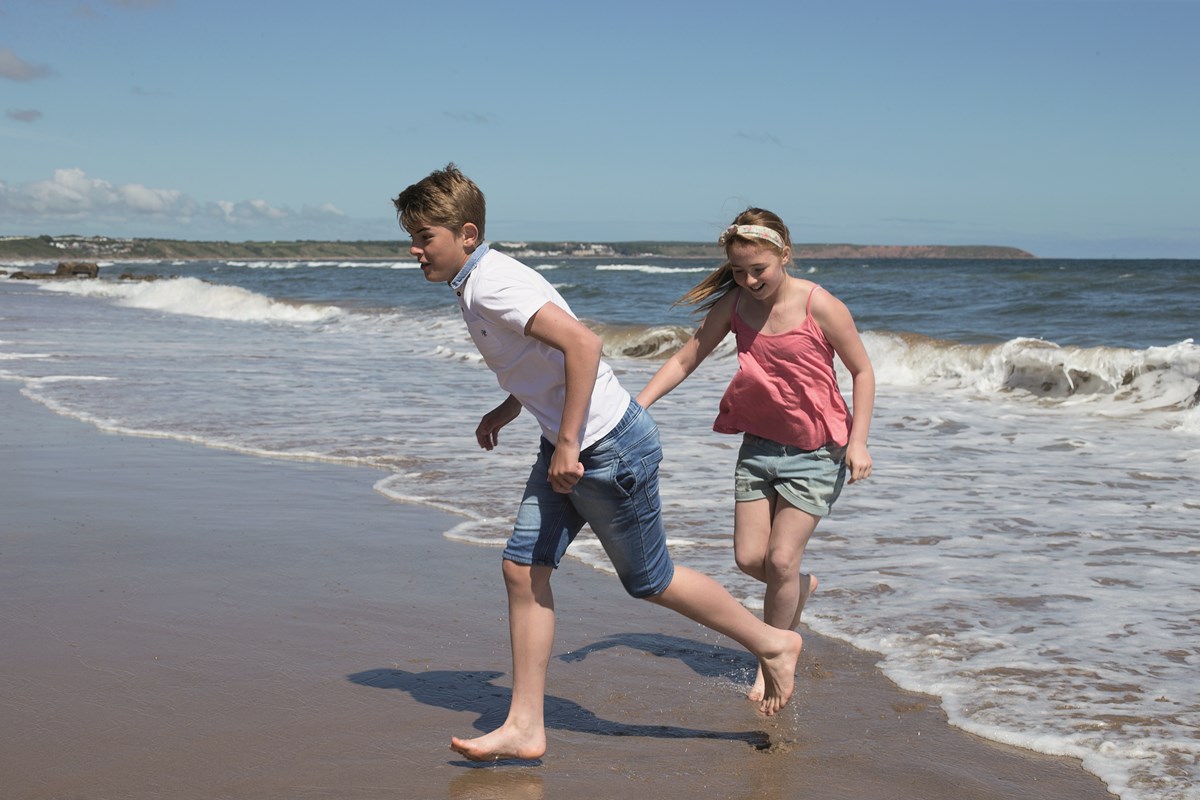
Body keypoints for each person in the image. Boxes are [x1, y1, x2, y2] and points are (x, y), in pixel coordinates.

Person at [392, 166, 804, 763]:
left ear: (466, 232)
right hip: (566, 439)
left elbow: (584, 345)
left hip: (605, 447)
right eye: (412, 235)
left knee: (650, 581)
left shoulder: (492, 284)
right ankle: (526, 726)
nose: (414, 248)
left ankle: (773, 642)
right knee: (522, 568)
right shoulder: (476, 280)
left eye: (424, 236)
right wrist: (512, 407)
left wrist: (566, 443)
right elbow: (542, 359)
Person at [637, 208, 875, 702]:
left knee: (782, 559)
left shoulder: (820, 304)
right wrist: (636, 406)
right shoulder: (735, 304)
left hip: (818, 451)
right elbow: (687, 356)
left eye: (758, 269)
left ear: (784, 255)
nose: (749, 279)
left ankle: (771, 663)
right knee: (751, 559)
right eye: (739, 271)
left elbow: (863, 371)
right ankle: (795, 595)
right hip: (759, 449)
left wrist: (859, 441)